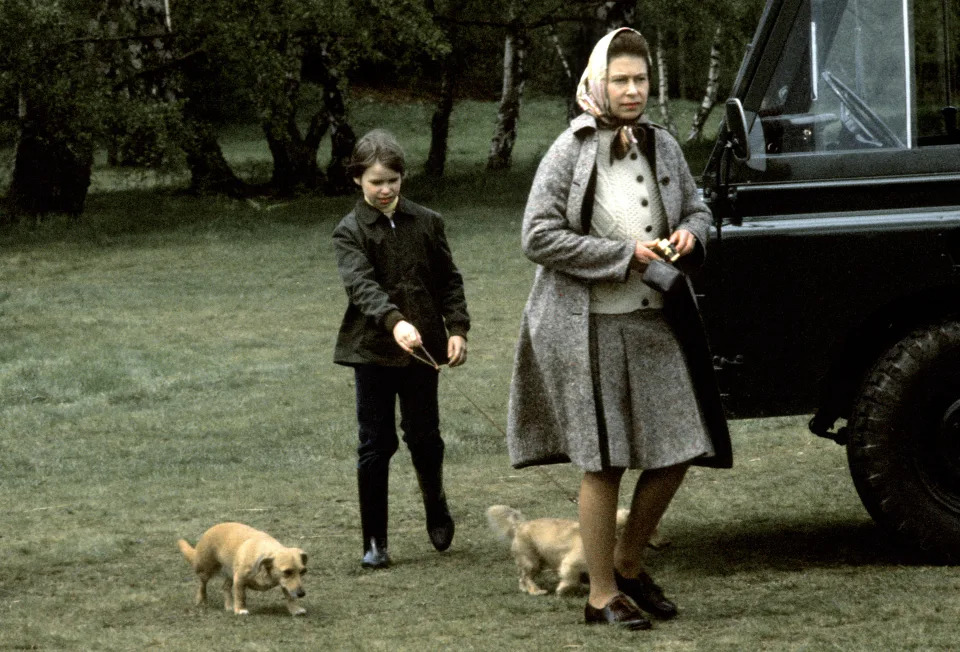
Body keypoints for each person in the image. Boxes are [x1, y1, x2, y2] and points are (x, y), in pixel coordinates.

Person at [506, 28, 732, 630]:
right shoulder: (568, 150)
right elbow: (537, 236)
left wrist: (692, 234)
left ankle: (629, 565)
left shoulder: (662, 145)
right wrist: (623, 255)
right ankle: (600, 595)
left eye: (640, 80)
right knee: (605, 463)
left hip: (656, 323)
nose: (632, 90)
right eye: (621, 80)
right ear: (596, 82)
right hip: (590, 331)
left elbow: (698, 208)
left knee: (683, 447)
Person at [333, 129, 470, 569]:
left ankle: (437, 507)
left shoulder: (428, 221)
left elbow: (449, 280)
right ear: (358, 180)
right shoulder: (350, 231)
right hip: (372, 351)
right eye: (375, 181)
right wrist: (395, 322)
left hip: (424, 350)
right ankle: (375, 541)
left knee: (424, 437)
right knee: (376, 443)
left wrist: (457, 329)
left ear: (402, 177)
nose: (385, 189)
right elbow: (361, 287)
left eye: (392, 179)